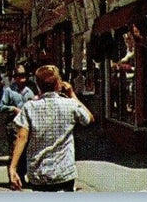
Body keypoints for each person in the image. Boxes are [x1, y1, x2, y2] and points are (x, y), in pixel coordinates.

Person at [8, 64, 93, 192]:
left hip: (38, 173)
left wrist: (13, 168)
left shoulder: (29, 107)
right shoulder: (70, 105)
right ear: (58, 84)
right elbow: (89, 118)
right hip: (64, 172)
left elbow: (22, 137)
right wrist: (72, 94)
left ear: (37, 85)